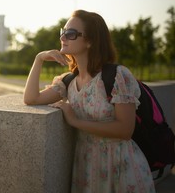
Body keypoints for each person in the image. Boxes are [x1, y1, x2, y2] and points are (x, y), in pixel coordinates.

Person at [23, 10, 155, 192]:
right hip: (87, 169)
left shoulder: (117, 76)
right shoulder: (68, 81)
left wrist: (75, 121)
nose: (63, 37)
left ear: (90, 41)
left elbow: (125, 130)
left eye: (71, 34)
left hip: (121, 169)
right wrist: (39, 59)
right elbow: (31, 99)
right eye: (63, 31)